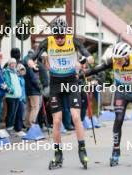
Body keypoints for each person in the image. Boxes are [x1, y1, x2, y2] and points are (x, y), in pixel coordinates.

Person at [35, 17, 93, 169]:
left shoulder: (72, 40)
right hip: (56, 83)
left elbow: (88, 55)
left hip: (71, 82)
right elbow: (32, 58)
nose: (59, 39)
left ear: (65, 33)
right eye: (57, 36)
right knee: (56, 121)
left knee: (75, 117)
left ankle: (82, 150)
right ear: (53, 35)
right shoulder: (48, 42)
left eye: (61, 35)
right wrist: (31, 62)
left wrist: (85, 60)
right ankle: (58, 154)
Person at [3, 58, 22, 131]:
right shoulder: (7, 71)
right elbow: (7, 82)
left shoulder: (15, 72)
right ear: (9, 64)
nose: (13, 65)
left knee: (14, 113)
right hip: (10, 95)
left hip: (17, 95)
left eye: (14, 63)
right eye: (12, 63)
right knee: (10, 113)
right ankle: (8, 127)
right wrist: (12, 90)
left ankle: (11, 128)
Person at [14, 63, 27, 136]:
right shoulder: (18, 78)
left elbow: (23, 89)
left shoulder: (22, 78)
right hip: (19, 98)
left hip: (22, 98)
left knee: (21, 113)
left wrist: (24, 98)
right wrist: (20, 97)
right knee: (19, 114)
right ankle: (18, 129)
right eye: (21, 70)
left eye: (23, 70)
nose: (23, 71)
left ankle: (19, 128)